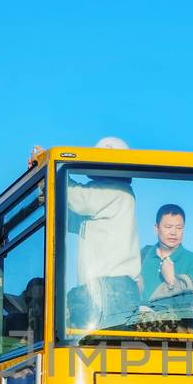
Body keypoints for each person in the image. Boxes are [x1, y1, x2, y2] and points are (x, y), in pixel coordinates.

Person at [65, 136, 141, 330]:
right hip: (109, 288)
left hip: (111, 289)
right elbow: (72, 221)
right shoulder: (107, 198)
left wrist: (47, 170)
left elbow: (77, 198)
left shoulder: (114, 190)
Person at [140, 204, 193, 314]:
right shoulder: (143, 255)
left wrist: (172, 281)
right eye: (168, 227)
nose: (173, 232)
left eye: (179, 228)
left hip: (177, 329)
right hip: (139, 328)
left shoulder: (192, 260)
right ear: (156, 229)